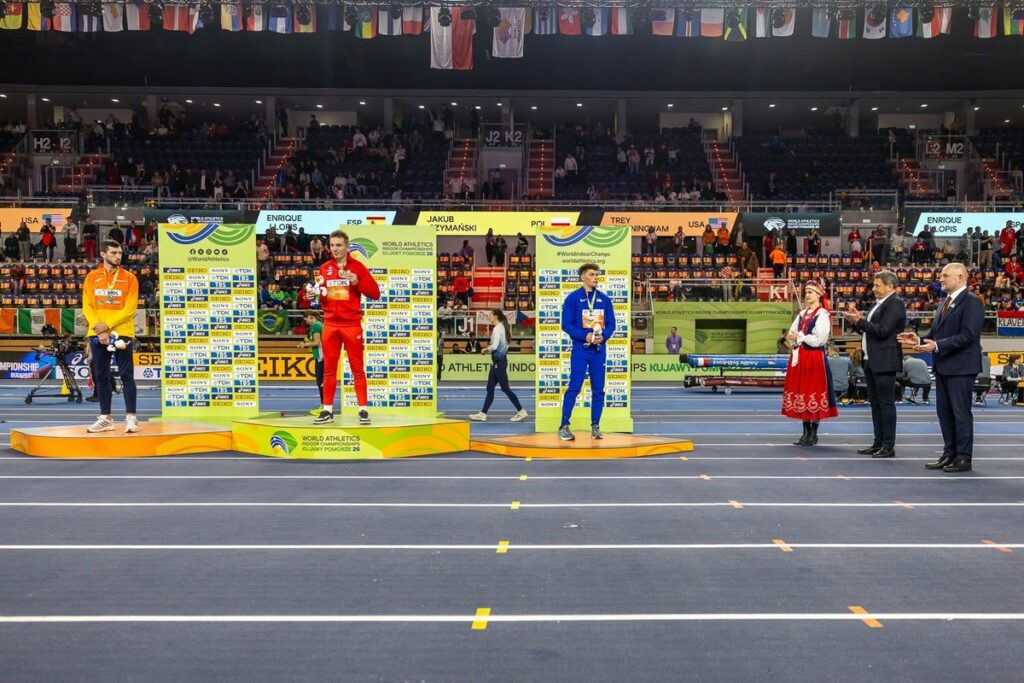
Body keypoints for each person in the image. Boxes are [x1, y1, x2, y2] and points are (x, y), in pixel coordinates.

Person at [898, 263, 985, 472]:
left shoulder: (972, 301)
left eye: (945, 275)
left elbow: (968, 335)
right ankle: (949, 453)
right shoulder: (945, 302)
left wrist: (937, 346)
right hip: (945, 365)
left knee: (960, 413)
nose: (941, 279)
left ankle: (963, 457)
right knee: (945, 413)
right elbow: (937, 335)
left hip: (961, 367)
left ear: (961, 277)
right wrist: (919, 339)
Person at [310, 230, 382, 425]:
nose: (335, 249)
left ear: (347, 246)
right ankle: (327, 411)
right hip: (330, 325)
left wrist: (356, 282)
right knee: (329, 370)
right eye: (332, 245)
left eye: (339, 245)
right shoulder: (324, 268)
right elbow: (323, 296)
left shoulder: (358, 267)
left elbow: (376, 293)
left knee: (357, 369)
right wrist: (314, 296)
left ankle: (363, 410)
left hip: (351, 325)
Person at [842, 270, 908, 458]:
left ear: (890, 286)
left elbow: (882, 331)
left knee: (886, 403)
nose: (874, 288)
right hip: (871, 358)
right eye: (874, 285)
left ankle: (888, 445)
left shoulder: (895, 303)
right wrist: (855, 322)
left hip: (885, 360)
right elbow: (868, 330)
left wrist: (860, 321)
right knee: (875, 403)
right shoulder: (877, 303)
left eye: (878, 285)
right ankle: (878, 442)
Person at [81, 240, 140, 434]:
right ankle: (106, 418)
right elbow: (87, 306)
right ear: (103, 254)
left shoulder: (130, 278)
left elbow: (130, 309)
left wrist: (106, 326)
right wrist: (100, 330)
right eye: (113, 253)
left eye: (119, 253)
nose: (118, 256)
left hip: (122, 331)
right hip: (97, 333)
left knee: (126, 376)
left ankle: (131, 418)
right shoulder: (91, 277)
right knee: (101, 377)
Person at [558, 263, 616, 442]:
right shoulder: (573, 298)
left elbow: (612, 324)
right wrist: (586, 336)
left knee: (598, 390)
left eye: (597, 275)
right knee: (574, 387)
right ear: (582, 277)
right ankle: (564, 426)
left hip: (599, 350)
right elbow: (566, 324)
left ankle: (595, 427)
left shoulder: (604, 299)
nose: (595, 277)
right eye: (591, 274)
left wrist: (603, 336)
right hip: (580, 350)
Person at [781, 281, 839, 446]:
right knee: (802, 393)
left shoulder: (822, 314)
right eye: (806, 292)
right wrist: (796, 337)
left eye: (810, 292)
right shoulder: (802, 314)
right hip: (801, 357)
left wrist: (800, 337)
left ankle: (813, 433)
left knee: (814, 391)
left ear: (819, 295)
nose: (807, 295)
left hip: (814, 358)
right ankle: (806, 432)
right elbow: (792, 333)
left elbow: (819, 339)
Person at [469, 309, 528, 423]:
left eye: (490, 315)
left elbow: (495, 346)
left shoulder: (497, 328)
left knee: (505, 388)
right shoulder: (502, 328)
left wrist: (485, 350)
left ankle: (521, 411)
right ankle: (483, 413)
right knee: (490, 388)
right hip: (498, 362)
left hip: (499, 363)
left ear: (496, 316)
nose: (489, 317)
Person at [296, 310, 323, 415]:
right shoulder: (319, 324)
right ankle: (324, 405)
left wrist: (304, 345)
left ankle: (324, 406)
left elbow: (316, 343)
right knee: (322, 382)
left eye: (306, 319)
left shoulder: (315, 326)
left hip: (321, 356)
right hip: (321, 356)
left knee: (321, 382)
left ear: (311, 317)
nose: (306, 322)